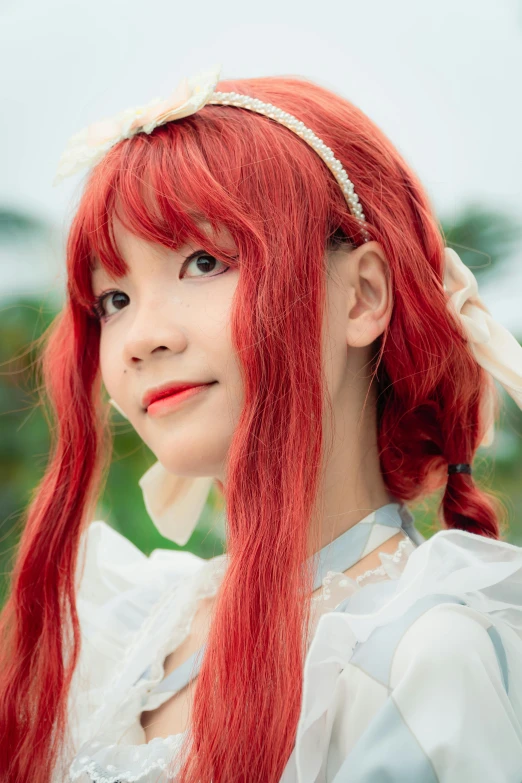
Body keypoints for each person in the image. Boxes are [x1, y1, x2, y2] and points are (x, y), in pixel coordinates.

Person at [0, 64, 521, 783]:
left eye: (204, 260)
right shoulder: (124, 628)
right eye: (113, 297)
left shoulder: (422, 656)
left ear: (363, 295)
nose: (140, 335)